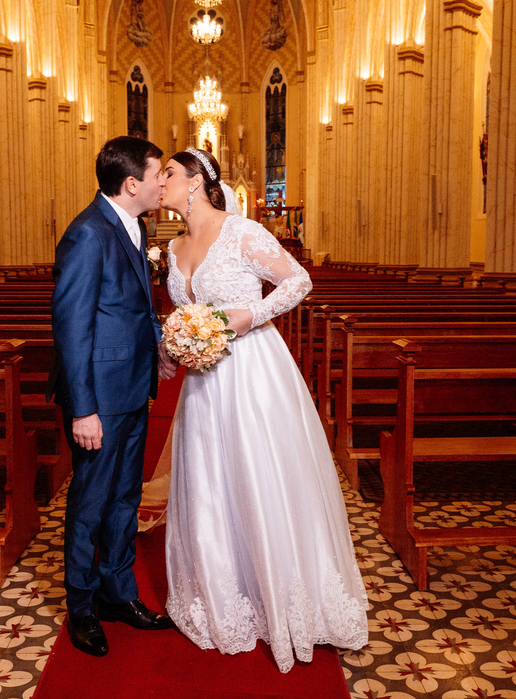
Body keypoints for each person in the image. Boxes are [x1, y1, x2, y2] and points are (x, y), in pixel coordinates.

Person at [157, 148, 368, 672]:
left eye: (168, 175)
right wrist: (176, 343)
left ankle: (282, 591)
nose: (158, 183)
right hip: (204, 382)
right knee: (210, 480)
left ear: (197, 183)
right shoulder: (171, 246)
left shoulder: (243, 232)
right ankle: (222, 592)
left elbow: (299, 282)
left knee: (258, 474)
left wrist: (249, 316)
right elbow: (182, 312)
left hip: (252, 370)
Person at [50, 136, 179, 657]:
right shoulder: (87, 234)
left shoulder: (134, 225)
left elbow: (134, 306)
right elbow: (72, 327)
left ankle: (117, 594)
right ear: (132, 184)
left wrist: (158, 348)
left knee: (125, 498)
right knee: (90, 504)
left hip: (130, 389)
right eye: (156, 176)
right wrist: (83, 408)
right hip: (98, 401)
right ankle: (81, 607)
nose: (162, 184)